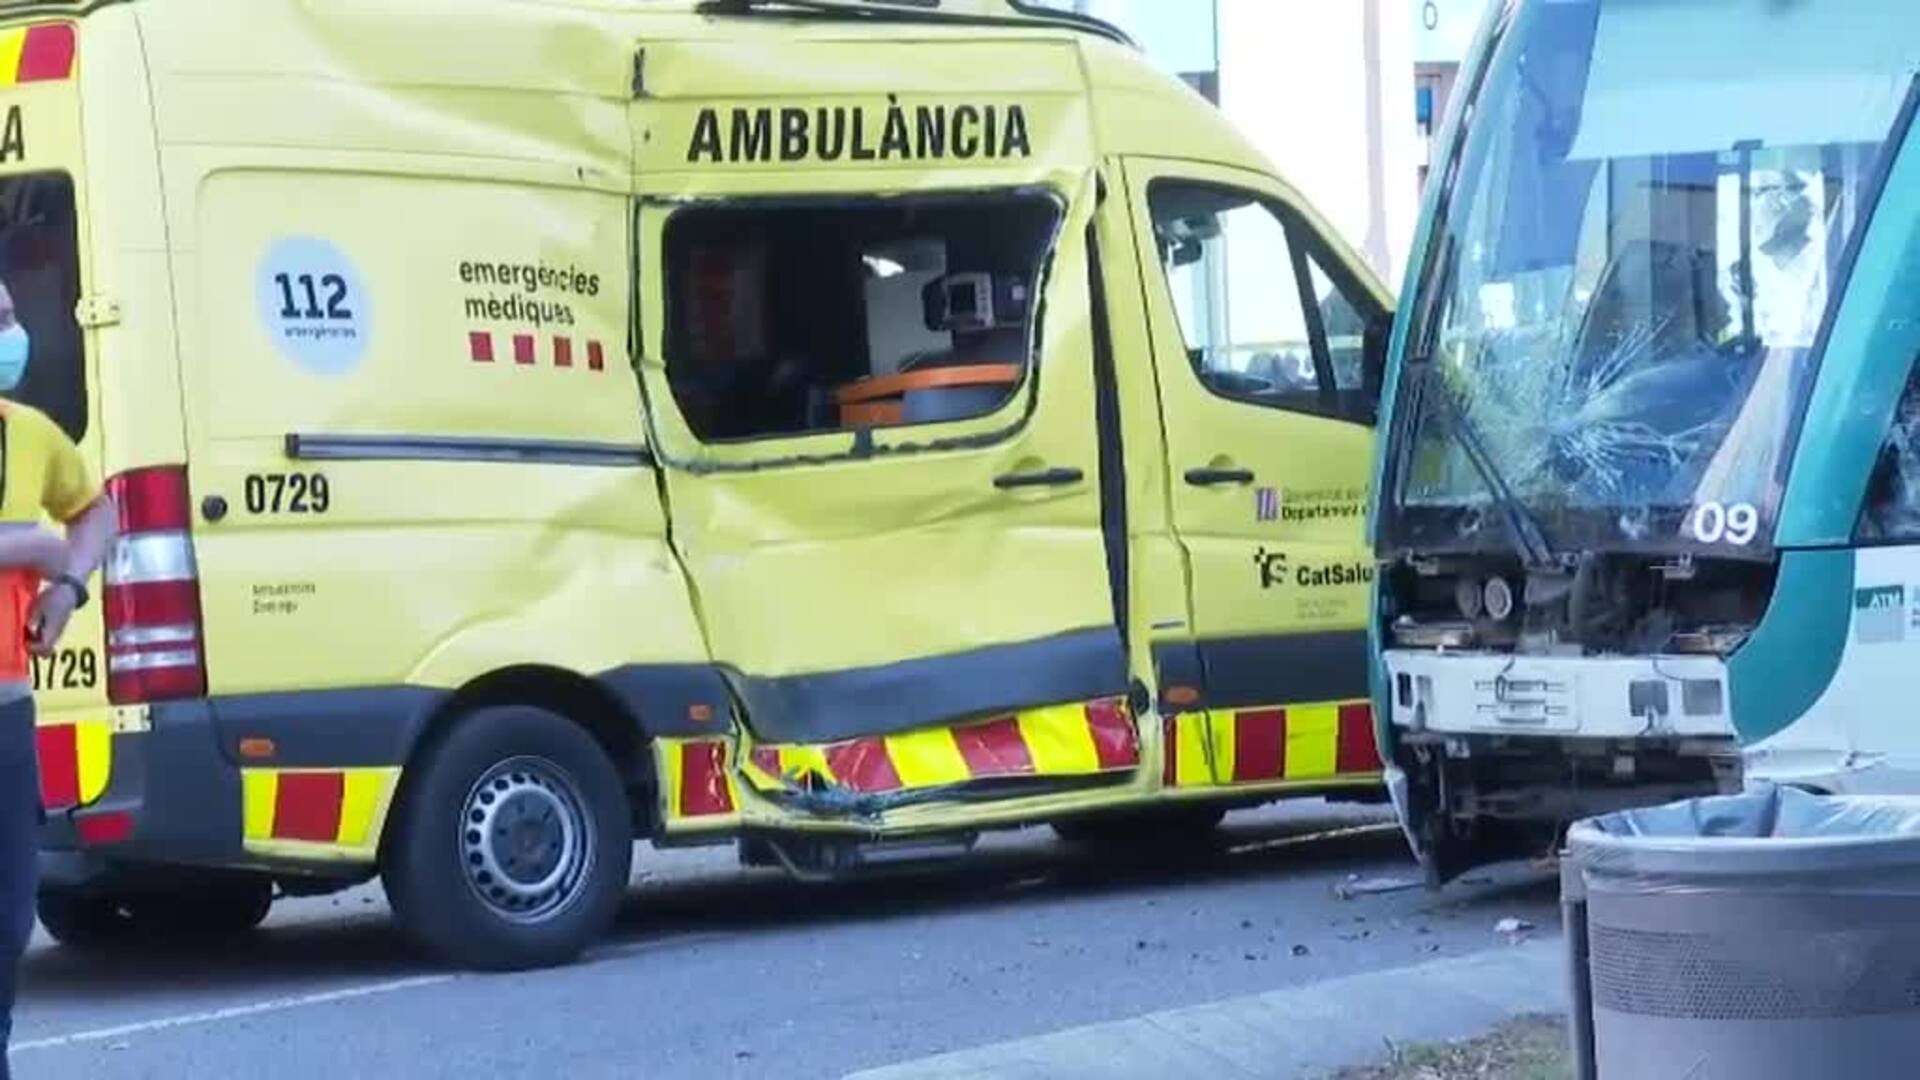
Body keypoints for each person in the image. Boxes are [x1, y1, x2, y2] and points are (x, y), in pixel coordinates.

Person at [0, 279, 116, 1077]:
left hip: (8, 720)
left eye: (8, 317)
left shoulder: (31, 433)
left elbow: (99, 511)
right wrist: (29, 550)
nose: (13, 333)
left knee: (8, 924)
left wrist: (69, 583)